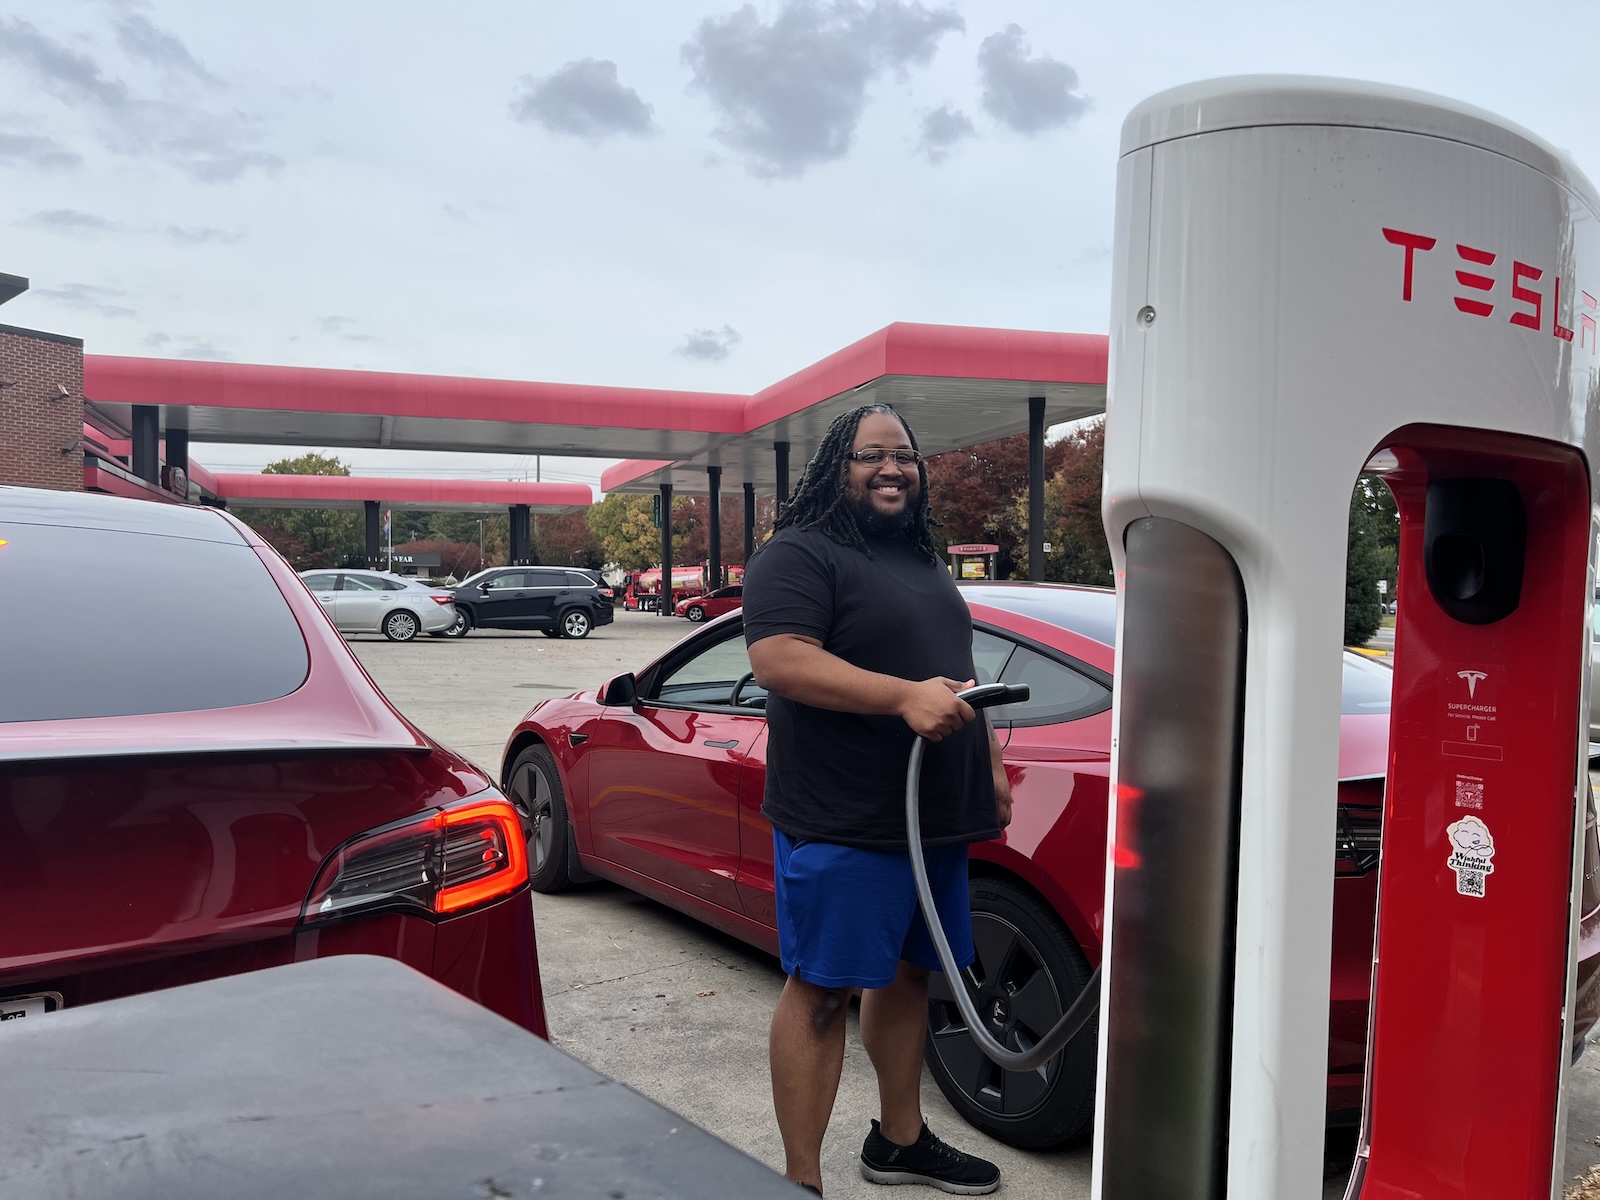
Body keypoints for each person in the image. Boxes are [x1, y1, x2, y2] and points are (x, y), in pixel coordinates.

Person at [743, 403, 1011, 1197]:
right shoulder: (798, 553)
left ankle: (901, 1141)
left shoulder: (923, 562)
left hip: (934, 819)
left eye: (905, 457)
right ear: (838, 466)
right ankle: (801, 1182)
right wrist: (900, 698)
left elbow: (955, 670)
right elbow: (780, 659)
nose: (892, 469)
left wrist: (989, 765)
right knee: (823, 990)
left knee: (908, 977)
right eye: (871, 456)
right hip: (847, 818)